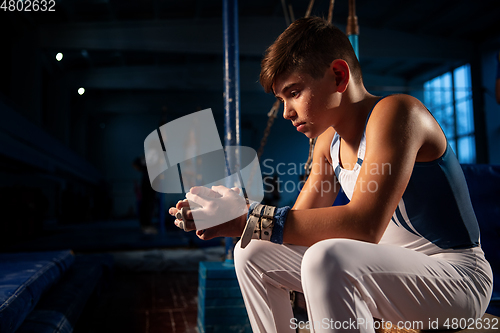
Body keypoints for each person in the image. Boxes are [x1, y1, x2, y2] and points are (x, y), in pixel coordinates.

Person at [169, 17, 493, 333]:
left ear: (339, 76)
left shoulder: (399, 113)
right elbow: (297, 223)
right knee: (252, 251)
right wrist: (233, 210)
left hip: (455, 278)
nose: (286, 112)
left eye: (294, 92)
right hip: (384, 268)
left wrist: (250, 219)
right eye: (282, 99)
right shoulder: (327, 142)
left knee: (325, 257)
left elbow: (364, 226)